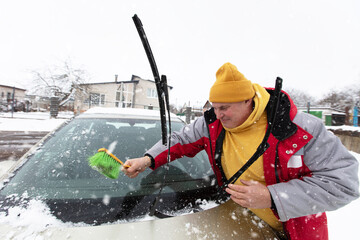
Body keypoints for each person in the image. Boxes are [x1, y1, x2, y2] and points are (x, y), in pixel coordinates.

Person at [122, 62, 359, 239]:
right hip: (240, 224)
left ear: (248, 100)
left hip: (296, 229)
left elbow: (345, 182)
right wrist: (148, 159)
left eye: (224, 107)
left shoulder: (299, 130)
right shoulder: (213, 124)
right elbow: (181, 139)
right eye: (214, 107)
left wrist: (271, 196)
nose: (218, 114)